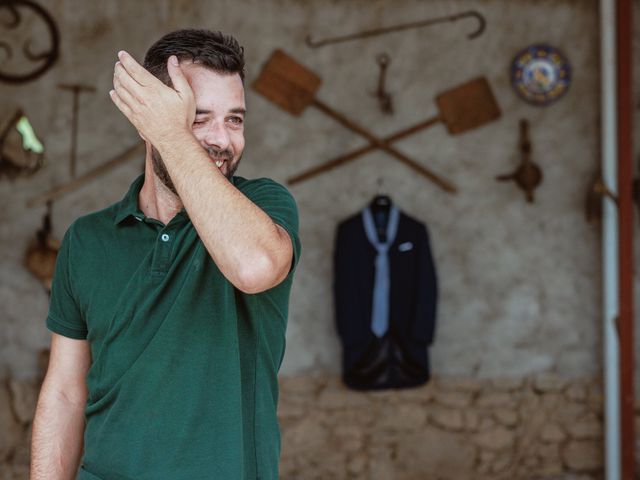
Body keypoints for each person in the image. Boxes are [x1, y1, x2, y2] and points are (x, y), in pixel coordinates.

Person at [30, 29, 301, 480]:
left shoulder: (264, 208)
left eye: (234, 119)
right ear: (147, 121)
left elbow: (255, 267)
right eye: (198, 118)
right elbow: (64, 393)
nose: (222, 139)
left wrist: (175, 137)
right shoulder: (87, 239)